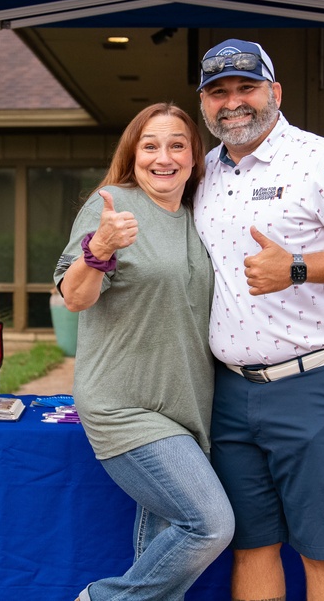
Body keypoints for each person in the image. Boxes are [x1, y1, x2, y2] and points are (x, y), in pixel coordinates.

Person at [192, 38, 324, 600]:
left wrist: (298, 267)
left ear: (275, 91)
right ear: (203, 103)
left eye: (246, 87)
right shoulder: (202, 173)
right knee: (252, 544)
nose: (233, 103)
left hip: (319, 380)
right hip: (232, 392)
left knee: (323, 550)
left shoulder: (323, 160)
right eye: (218, 92)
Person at [54, 102, 234, 601]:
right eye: (150, 145)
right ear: (132, 154)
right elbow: (75, 297)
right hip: (124, 404)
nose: (164, 157)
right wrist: (100, 248)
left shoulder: (201, 214)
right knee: (209, 524)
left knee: (163, 546)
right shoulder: (112, 204)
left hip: (187, 407)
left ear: (195, 157)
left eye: (177, 145)